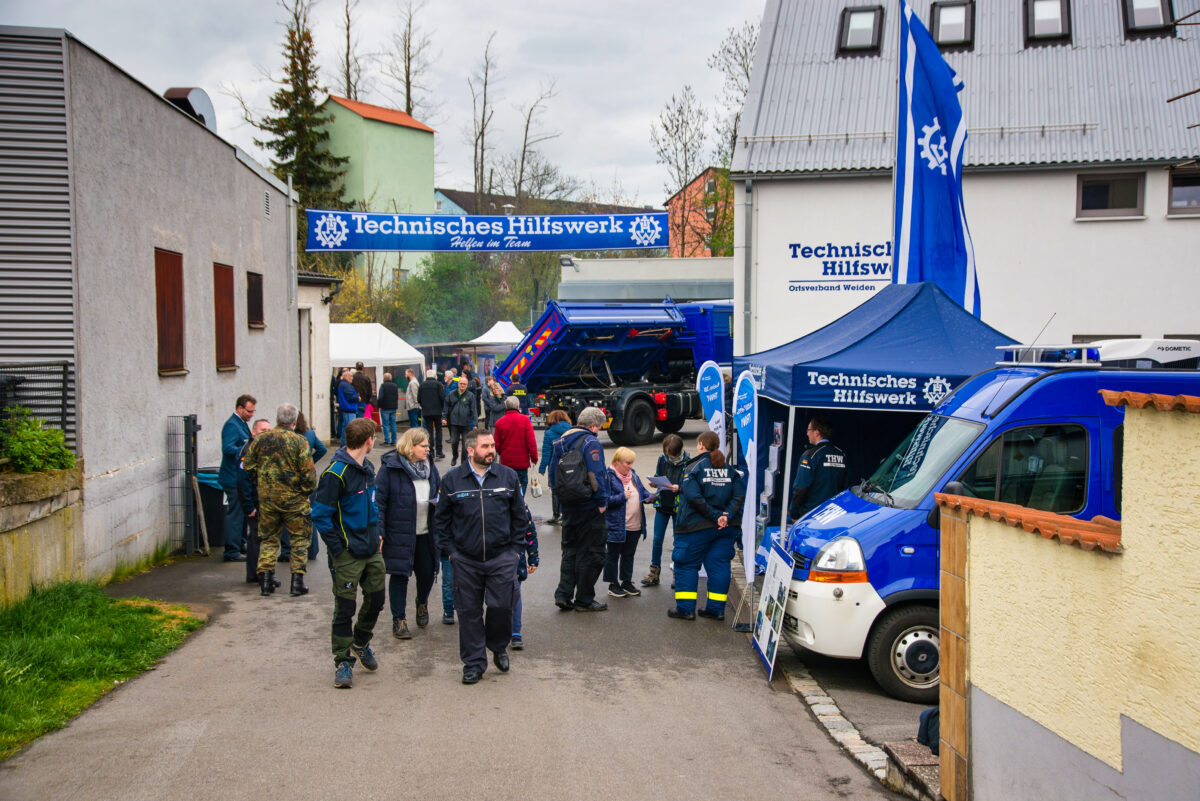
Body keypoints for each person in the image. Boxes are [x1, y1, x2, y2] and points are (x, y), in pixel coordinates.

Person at [432, 428, 527, 685]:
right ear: (471, 450)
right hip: (466, 559)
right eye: (486, 447)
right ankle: (473, 663)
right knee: (469, 612)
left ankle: (497, 646)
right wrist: (451, 553)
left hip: (501, 557)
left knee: (501, 607)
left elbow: (520, 516)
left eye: (492, 446)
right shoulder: (452, 480)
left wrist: (515, 551)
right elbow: (440, 522)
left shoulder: (507, 476)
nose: (491, 451)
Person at [311, 418, 383, 689]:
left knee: (376, 599)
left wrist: (377, 533)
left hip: (371, 549)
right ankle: (342, 661)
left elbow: (373, 504)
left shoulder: (368, 468)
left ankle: (360, 641)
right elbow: (319, 515)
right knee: (345, 608)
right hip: (348, 554)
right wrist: (339, 548)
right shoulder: (335, 473)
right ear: (369, 441)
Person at [668, 430, 746, 621]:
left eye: (698, 444)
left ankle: (686, 609)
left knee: (686, 565)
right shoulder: (730, 470)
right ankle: (716, 609)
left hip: (696, 527)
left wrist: (715, 515)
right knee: (719, 566)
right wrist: (725, 516)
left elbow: (694, 497)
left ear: (701, 444)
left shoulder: (693, 467)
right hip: (726, 528)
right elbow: (739, 496)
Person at [243, 404, 318, 597]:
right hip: (294, 500)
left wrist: (261, 483)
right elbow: (309, 474)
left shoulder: (260, 440)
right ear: (294, 422)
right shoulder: (299, 442)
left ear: (276, 420)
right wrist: (305, 492)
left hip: (268, 499)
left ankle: (266, 581)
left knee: (268, 539)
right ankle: (297, 581)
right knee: (299, 540)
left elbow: (248, 466)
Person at [376, 427, 441, 640]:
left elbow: (439, 492)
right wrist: (380, 532)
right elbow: (380, 502)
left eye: (428, 446)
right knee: (399, 575)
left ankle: (421, 602)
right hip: (400, 532)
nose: (428, 449)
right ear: (411, 447)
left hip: (426, 532)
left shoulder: (430, 467)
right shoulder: (391, 468)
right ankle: (399, 619)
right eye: (424, 446)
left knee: (427, 573)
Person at [548, 406, 609, 612]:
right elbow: (596, 475)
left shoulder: (560, 441)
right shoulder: (591, 442)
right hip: (588, 505)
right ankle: (584, 599)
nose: (598, 430)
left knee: (570, 550)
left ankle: (563, 594)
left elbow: (553, 475)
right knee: (592, 553)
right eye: (599, 427)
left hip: (568, 505)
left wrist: (561, 500)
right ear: (593, 425)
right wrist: (601, 502)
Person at [603, 447, 654, 599]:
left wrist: (653, 496)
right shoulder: (609, 477)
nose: (630, 466)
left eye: (632, 463)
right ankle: (613, 584)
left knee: (628, 555)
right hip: (616, 526)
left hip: (635, 525)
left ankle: (626, 582)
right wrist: (621, 497)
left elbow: (643, 493)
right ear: (617, 462)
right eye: (627, 463)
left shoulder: (633, 476)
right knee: (612, 555)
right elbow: (604, 501)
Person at [642, 433, 689, 587]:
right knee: (657, 540)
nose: (669, 457)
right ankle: (654, 572)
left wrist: (679, 487)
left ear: (679, 451)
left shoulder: (688, 462)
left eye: (672, 454)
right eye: (667, 453)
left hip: (678, 506)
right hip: (663, 504)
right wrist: (655, 483)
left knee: (678, 541)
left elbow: (691, 486)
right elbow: (659, 474)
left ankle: (678, 573)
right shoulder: (662, 459)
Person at [219, 394, 256, 563]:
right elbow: (228, 449)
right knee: (235, 514)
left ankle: (240, 544)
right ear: (240, 408)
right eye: (249, 411)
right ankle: (231, 550)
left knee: (241, 514)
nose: (251, 415)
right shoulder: (232, 426)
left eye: (253, 411)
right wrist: (245, 450)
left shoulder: (241, 423)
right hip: (232, 478)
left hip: (238, 477)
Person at [789, 416, 848, 521]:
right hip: (833, 515)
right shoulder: (841, 454)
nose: (807, 433)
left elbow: (801, 488)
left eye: (808, 430)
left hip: (811, 515)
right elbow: (845, 486)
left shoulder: (810, 455)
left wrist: (793, 513)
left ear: (816, 432)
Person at [237, 419, 273, 585]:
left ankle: (259, 573)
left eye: (268, 430)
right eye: (262, 430)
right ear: (253, 432)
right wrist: (249, 506)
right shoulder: (250, 451)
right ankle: (258, 574)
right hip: (255, 503)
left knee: (261, 538)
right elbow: (243, 480)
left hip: (263, 501)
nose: (266, 433)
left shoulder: (264, 449)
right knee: (257, 539)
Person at [293, 411, 325, 562]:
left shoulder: (291, 437)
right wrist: (310, 462)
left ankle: (289, 550)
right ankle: (313, 550)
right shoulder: (310, 433)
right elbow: (322, 449)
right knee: (310, 515)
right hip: (310, 479)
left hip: (294, 480)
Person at [494, 396, 537, 496]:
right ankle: (520, 503)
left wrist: (503, 453)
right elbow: (531, 442)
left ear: (505, 406)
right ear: (518, 406)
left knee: (507, 485)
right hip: (522, 462)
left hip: (506, 461)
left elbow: (497, 444)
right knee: (522, 483)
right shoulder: (525, 420)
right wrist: (534, 458)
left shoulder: (499, 422)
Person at [511, 505, 539, 650]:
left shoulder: (521, 505)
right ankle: (499, 631)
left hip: (516, 560)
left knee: (515, 595)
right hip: (493, 558)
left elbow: (530, 532)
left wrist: (533, 557)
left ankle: (516, 632)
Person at [537, 410, 572, 524]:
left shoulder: (549, 432)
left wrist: (542, 469)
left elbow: (546, 452)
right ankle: (566, 514)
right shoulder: (571, 430)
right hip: (570, 465)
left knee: (555, 490)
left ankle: (556, 515)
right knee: (568, 489)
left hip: (555, 466)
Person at [445, 377, 476, 467]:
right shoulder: (452, 394)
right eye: (461, 383)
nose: (462, 385)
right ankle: (455, 456)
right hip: (454, 423)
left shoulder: (470, 395)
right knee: (454, 442)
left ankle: (463, 463)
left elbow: (474, 410)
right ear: (458, 384)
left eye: (464, 384)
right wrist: (444, 417)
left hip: (466, 424)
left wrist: (475, 423)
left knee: (465, 445)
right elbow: (446, 406)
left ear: (467, 385)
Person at [418, 369, 446, 459]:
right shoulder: (438, 384)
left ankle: (430, 451)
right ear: (435, 376)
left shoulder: (422, 385)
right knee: (438, 430)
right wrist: (441, 408)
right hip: (437, 411)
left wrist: (424, 406)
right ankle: (439, 451)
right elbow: (443, 397)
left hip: (426, 412)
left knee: (429, 431)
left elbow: (418, 399)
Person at [336, 368, 359, 446]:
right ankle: (347, 444)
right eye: (351, 376)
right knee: (349, 428)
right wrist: (357, 398)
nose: (352, 378)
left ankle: (344, 444)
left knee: (345, 427)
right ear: (346, 376)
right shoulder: (346, 385)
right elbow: (350, 397)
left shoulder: (342, 384)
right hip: (349, 408)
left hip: (346, 408)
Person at [377, 371, 400, 446]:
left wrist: (379, 405)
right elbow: (397, 397)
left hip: (385, 407)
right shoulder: (395, 386)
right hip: (393, 407)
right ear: (391, 378)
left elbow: (380, 397)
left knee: (385, 424)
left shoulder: (383, 386)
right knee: (393, 424)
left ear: (384, 379)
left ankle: (387, 440)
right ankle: (394, 441)